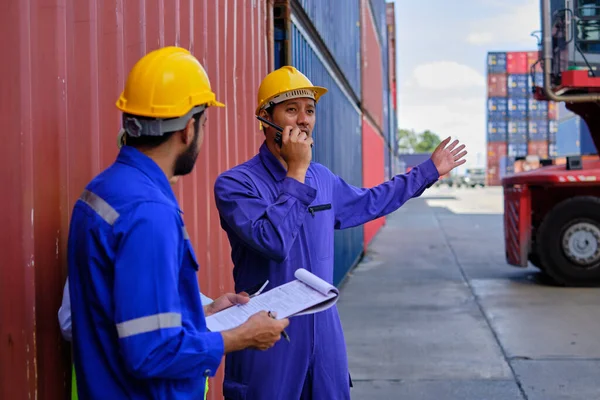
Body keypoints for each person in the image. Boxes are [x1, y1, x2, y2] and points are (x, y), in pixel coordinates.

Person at [213, 65, 467, 399]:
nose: (304, 119)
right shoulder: (236, 184)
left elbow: (371, 201)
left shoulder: (323, 179)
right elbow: (271, 241)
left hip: (324, 340)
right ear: (265, 118)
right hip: (268, 340)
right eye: (291, 110)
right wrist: (297, 172)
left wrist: (427, 172)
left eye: (310, 111)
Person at [66, 46, 289, 400]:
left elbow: (122, 307)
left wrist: (202, 312)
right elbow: (151, 352)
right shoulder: (149, 213)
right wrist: (241, 337)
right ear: (188, 129)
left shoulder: (103, 190)